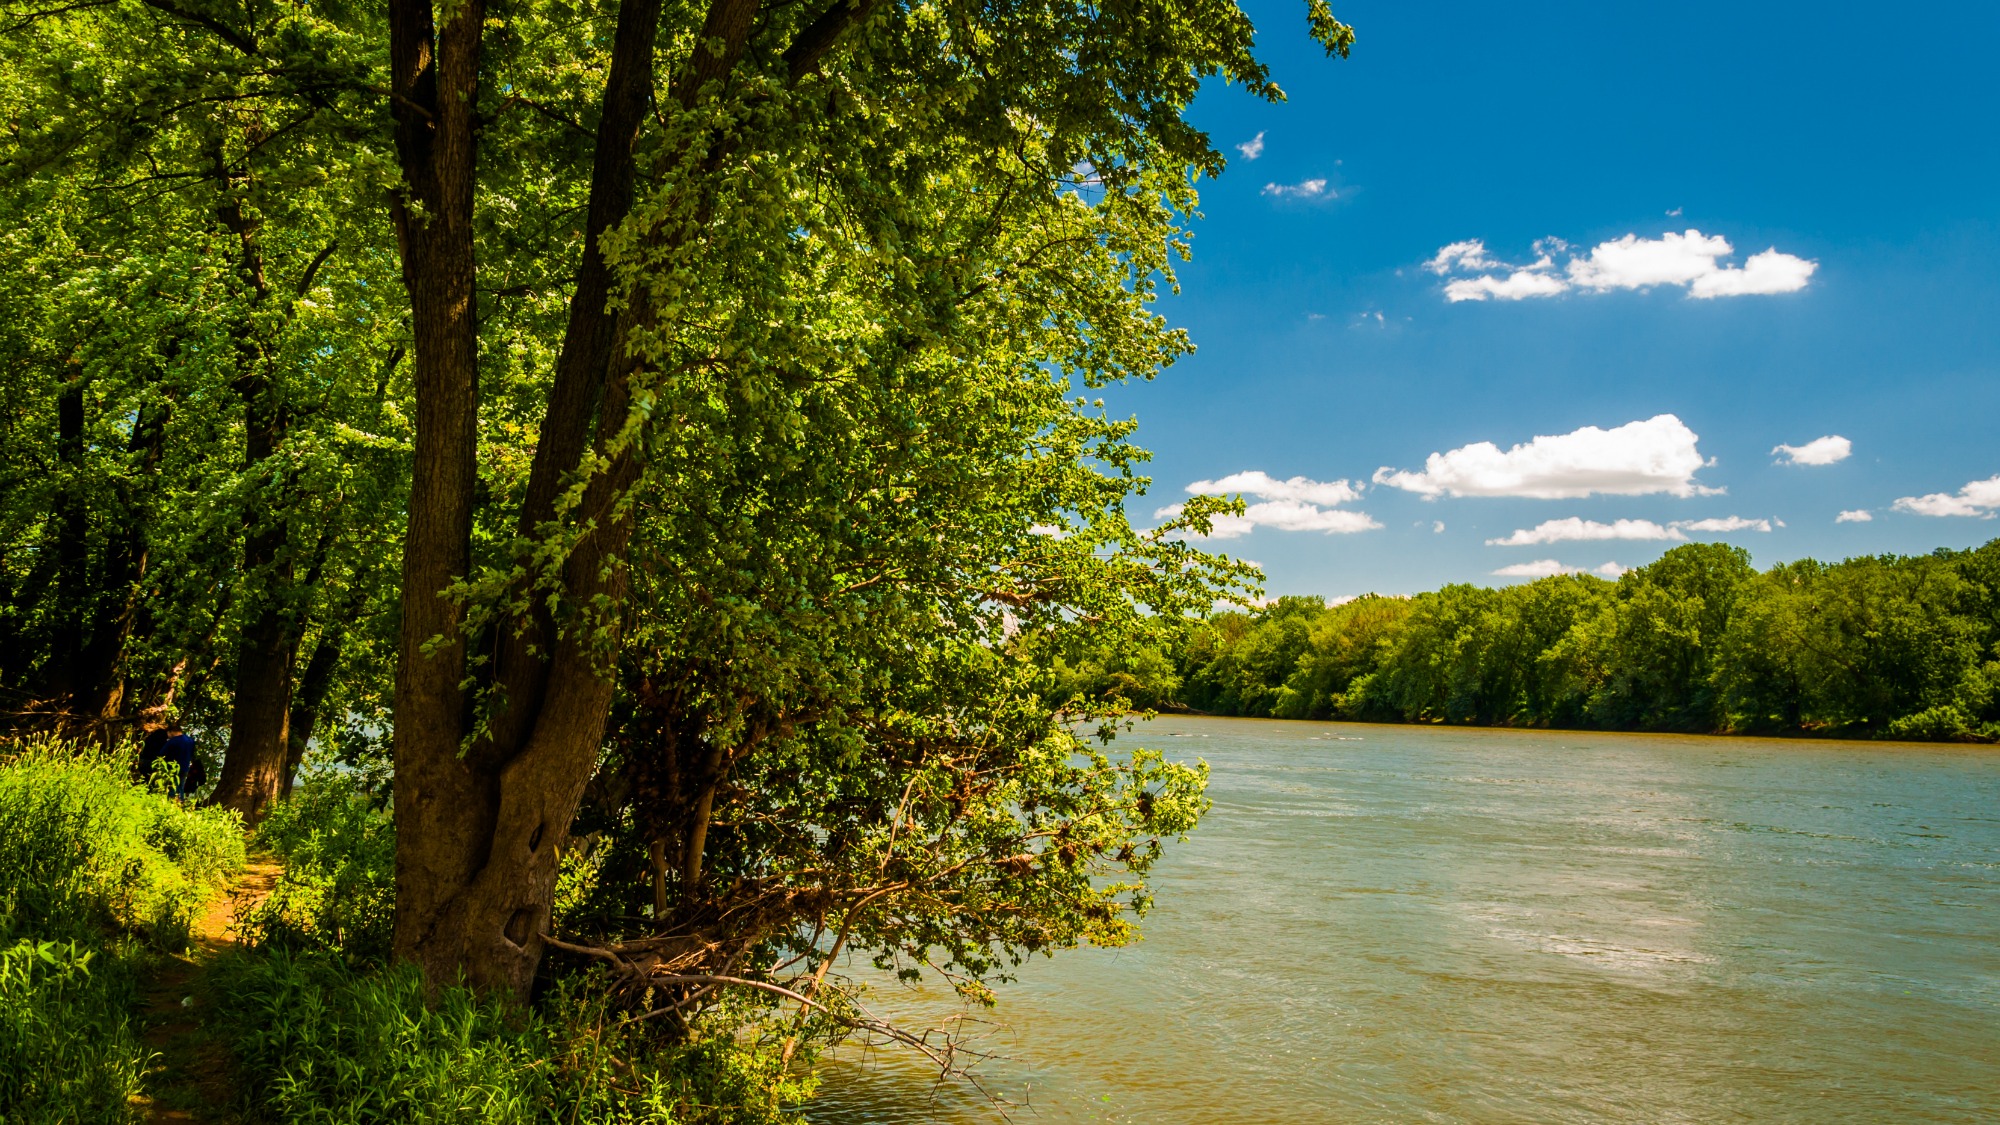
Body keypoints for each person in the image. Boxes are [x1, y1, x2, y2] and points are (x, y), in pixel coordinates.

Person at [139, 722, 205, 800]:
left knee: (172, 787)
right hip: (185, 768)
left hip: (173, 767)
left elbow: (162, 753)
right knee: (180, 788)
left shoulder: (172, 741)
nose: (168, 736)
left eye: (168, 734)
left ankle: (171, 803)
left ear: (171, 732)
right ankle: (179, 802)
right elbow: (192, 754)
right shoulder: (191, 741)